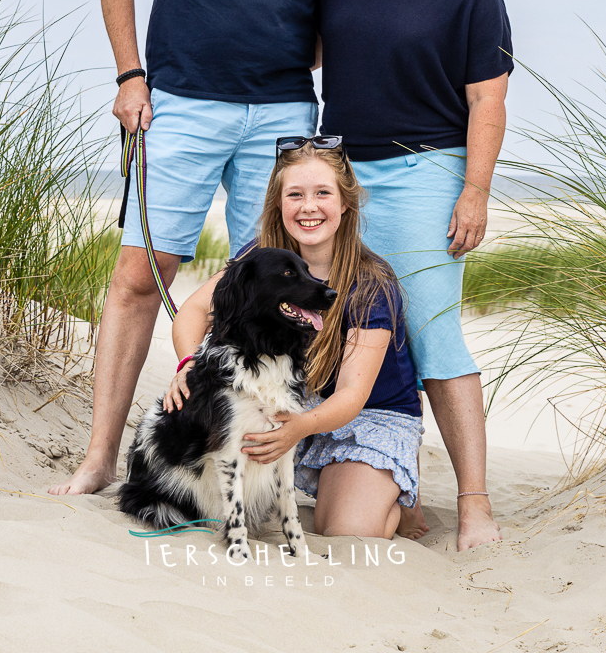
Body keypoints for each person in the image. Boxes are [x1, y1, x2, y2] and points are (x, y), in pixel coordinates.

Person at [51, 0, 495, 496]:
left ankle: (273, 464)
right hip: (182, 104)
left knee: (283, 287)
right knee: (138, 275)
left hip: (287, 112)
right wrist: (130, 75)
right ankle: (98, 457)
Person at [317, 0, 513, 551]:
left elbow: (487, 103)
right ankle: (400, 486)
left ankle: (475, 505)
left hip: (427, 168)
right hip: (340, 172)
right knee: (351, 328)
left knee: (430, 331)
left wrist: (475, 193)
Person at [163, 138, 422, 539]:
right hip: (292, 403)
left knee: (347, 531)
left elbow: (353, 394)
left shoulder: (372, 283)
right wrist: (189, 362)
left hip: (366, 416)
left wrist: (299, 427)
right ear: (278, 203)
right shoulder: (262, 259)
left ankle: (398, 491)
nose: (308, 206)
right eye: (295, 194)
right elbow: (193, 311)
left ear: (345, 203)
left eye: (323, 193)